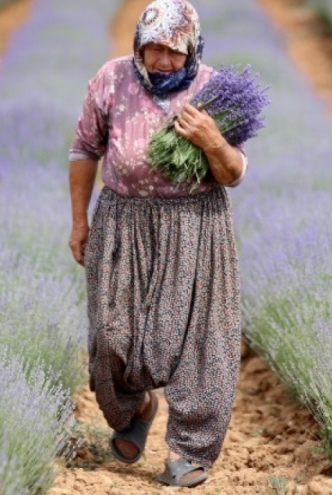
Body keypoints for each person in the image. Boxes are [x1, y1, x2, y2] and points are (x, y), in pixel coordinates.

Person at [67, 0, 246, 488]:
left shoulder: (213, 88)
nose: (163, 60)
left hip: (196, 226)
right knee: (110, 333)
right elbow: (85, 148)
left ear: (191, 49)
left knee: (200, 342)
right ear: (138, 45)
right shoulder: (110, 80)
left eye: (174, 50)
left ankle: (190, 450)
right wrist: (79, 221)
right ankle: (135, 406)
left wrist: (211, 139)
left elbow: (233, 173)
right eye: (153, 48)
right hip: (122, 222)